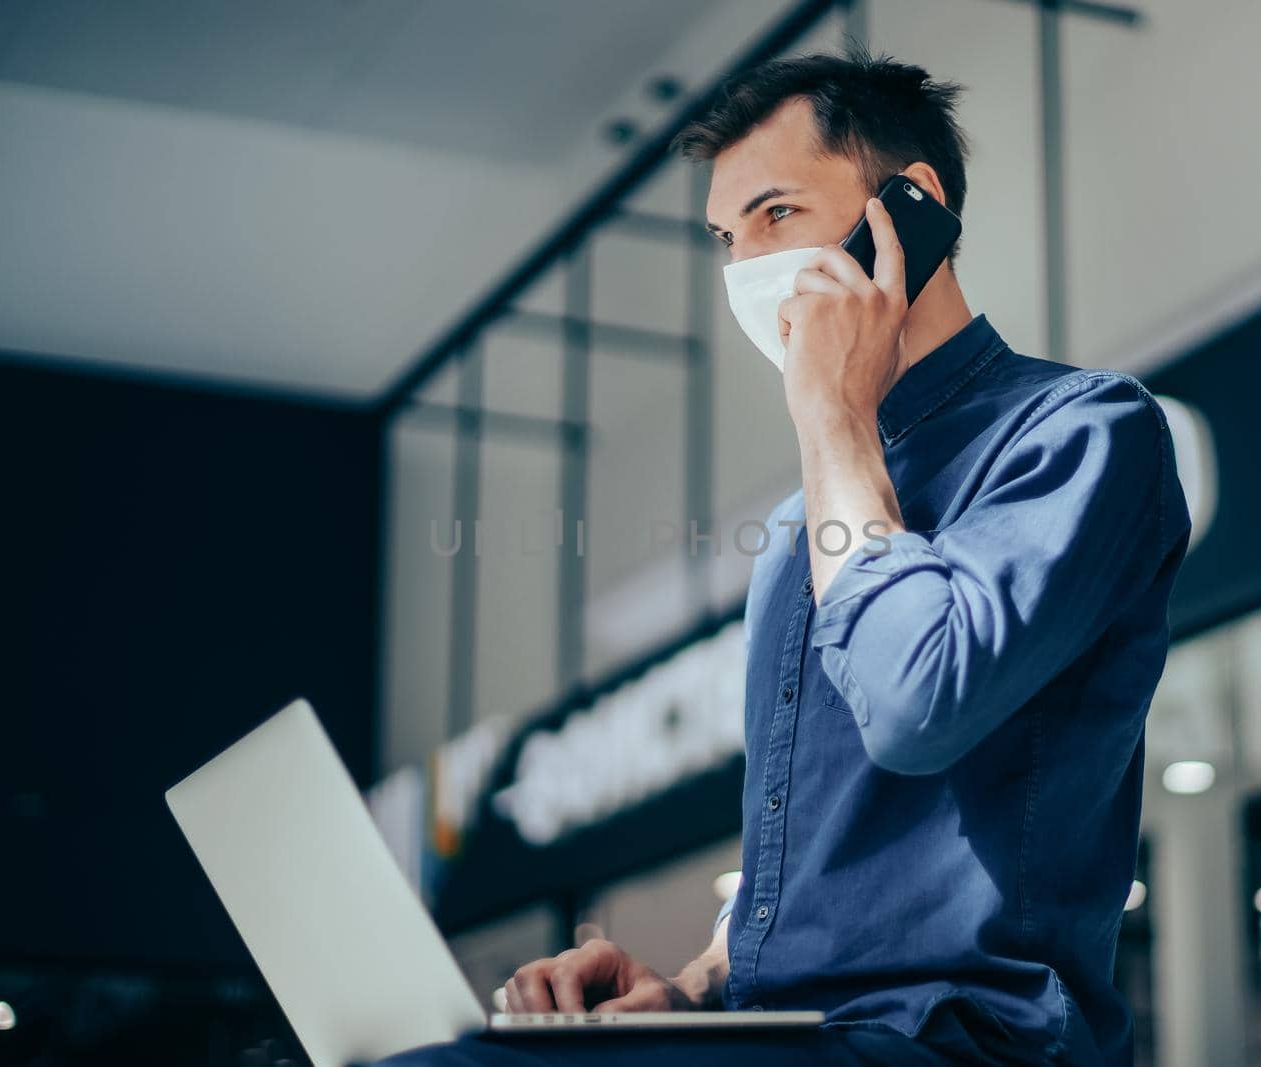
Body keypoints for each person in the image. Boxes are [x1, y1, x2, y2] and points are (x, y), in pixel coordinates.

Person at [372, 44, 1190, 1067]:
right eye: (725, 238)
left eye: (775, 216)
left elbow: (915, 703)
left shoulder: (1079, 430)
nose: (746, 269)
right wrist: (689, 987)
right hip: (794, 1036)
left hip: (962, 1039)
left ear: (910, 206)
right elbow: (802, 858)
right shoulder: (802, 533)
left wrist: (834, 417)